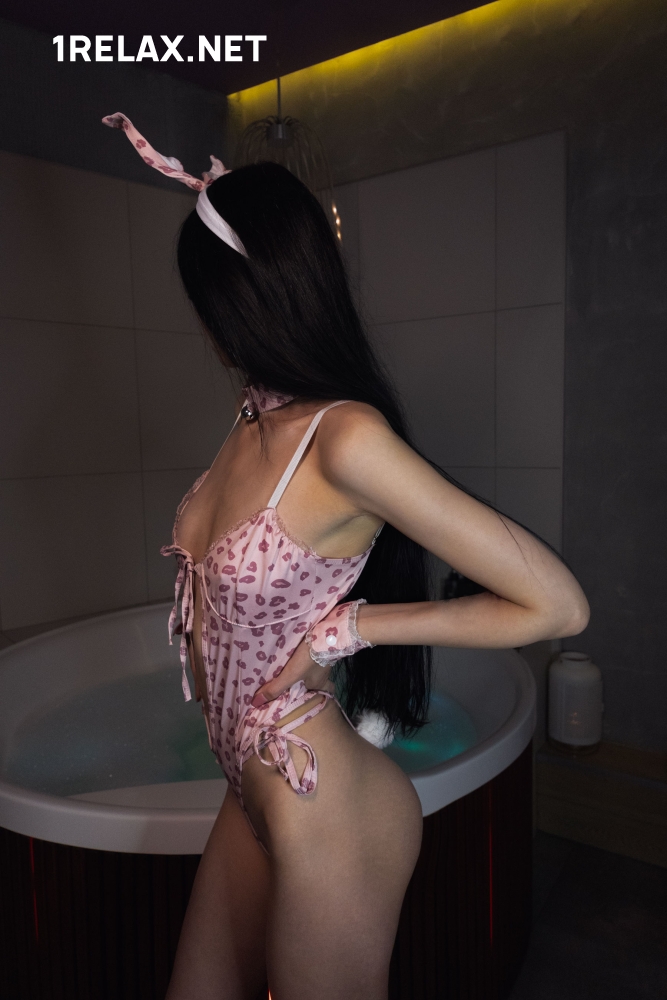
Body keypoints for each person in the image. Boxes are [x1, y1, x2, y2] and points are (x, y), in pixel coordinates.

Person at [105, 114, 590, 1000]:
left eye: (209, 308)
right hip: (248, 784)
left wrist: (347, 630)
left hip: (326, 802)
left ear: (245, 302)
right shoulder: (250, 418)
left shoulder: (344, 438)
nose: (207, 333)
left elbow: (555, 604)